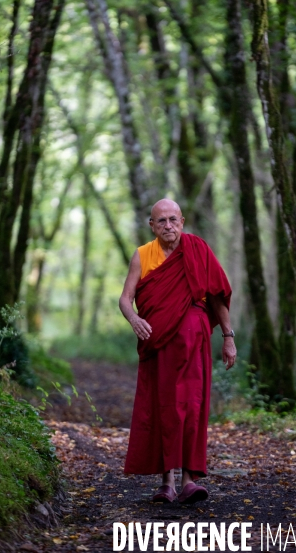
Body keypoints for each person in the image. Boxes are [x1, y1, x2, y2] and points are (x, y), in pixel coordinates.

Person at [119, 199, 236, 504]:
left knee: (192, 406)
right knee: (163, 406)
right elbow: (125, 298)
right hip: (158, 344)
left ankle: (189, 481)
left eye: (173, 220)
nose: (168, 226)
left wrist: (228, 336)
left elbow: (216, 299)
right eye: (161, 221)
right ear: (152, 225)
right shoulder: (143, 256)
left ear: (182, 221)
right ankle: (166, 482)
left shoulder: (197, 249)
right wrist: (134, 319)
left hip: (194, 344)